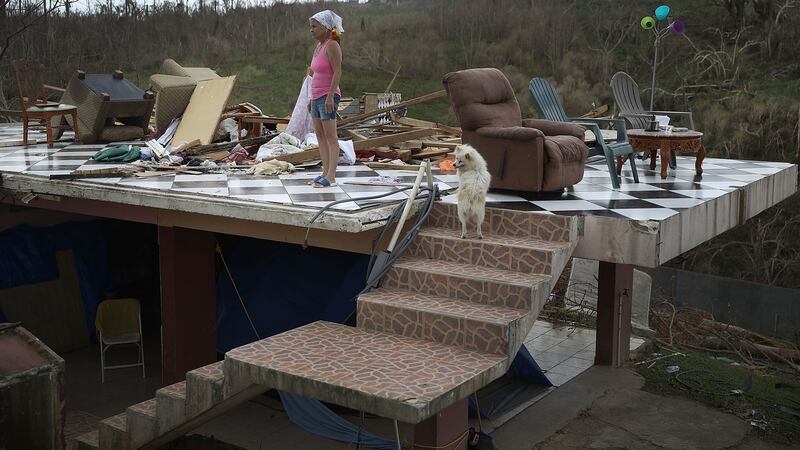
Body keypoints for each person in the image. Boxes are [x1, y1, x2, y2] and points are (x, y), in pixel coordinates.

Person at [307, 10, 343, 188]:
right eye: (310, 27)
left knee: (331, 137)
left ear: (326, 27)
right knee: (320, 136)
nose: (311, 30)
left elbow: (337, 71)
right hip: (316, 97)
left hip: (328, 96)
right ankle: (324, 172)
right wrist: (310, 99)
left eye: (314, 26)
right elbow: (314, 75)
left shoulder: (332, 45)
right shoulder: (318, 47)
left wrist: (330, 96)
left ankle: (331, 176)